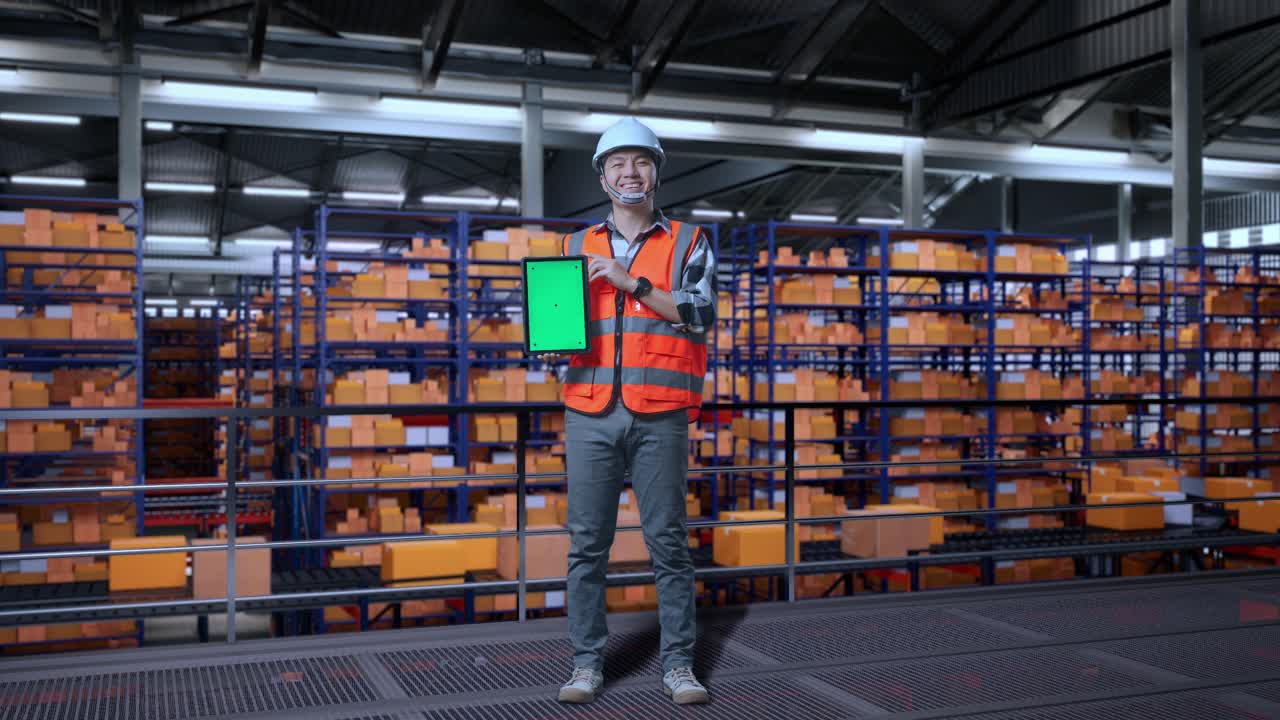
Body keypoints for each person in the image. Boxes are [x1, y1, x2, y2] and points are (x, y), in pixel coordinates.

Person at [551, 117, 716, 705]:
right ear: (602, 176)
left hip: (660, 411)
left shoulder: (688, 242)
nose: (630, 172)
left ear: (655, 174)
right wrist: (550, 343)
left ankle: (678, 666)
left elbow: (699, 314)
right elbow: (562, 326)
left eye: (641, 162)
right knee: (586, 544)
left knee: (668, 542)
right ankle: (586, 664)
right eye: (618, 162)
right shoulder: (571, 247)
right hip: (590, 409)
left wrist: (631, 282)